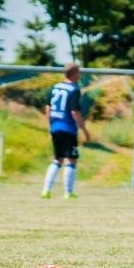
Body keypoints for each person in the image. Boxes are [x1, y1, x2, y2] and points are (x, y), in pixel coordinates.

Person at [42, 63, 91, 199]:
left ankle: (46, 190)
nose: (79, 75)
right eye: (78, 72)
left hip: (55, 126)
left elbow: (48, 107)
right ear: (75, 73)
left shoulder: (55, 87)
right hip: (68, 128)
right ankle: (68, 192)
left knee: (57, 158)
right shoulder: (74, 89)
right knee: (71, 159)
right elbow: (74, 111)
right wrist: (84, 130)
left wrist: (50, 127)